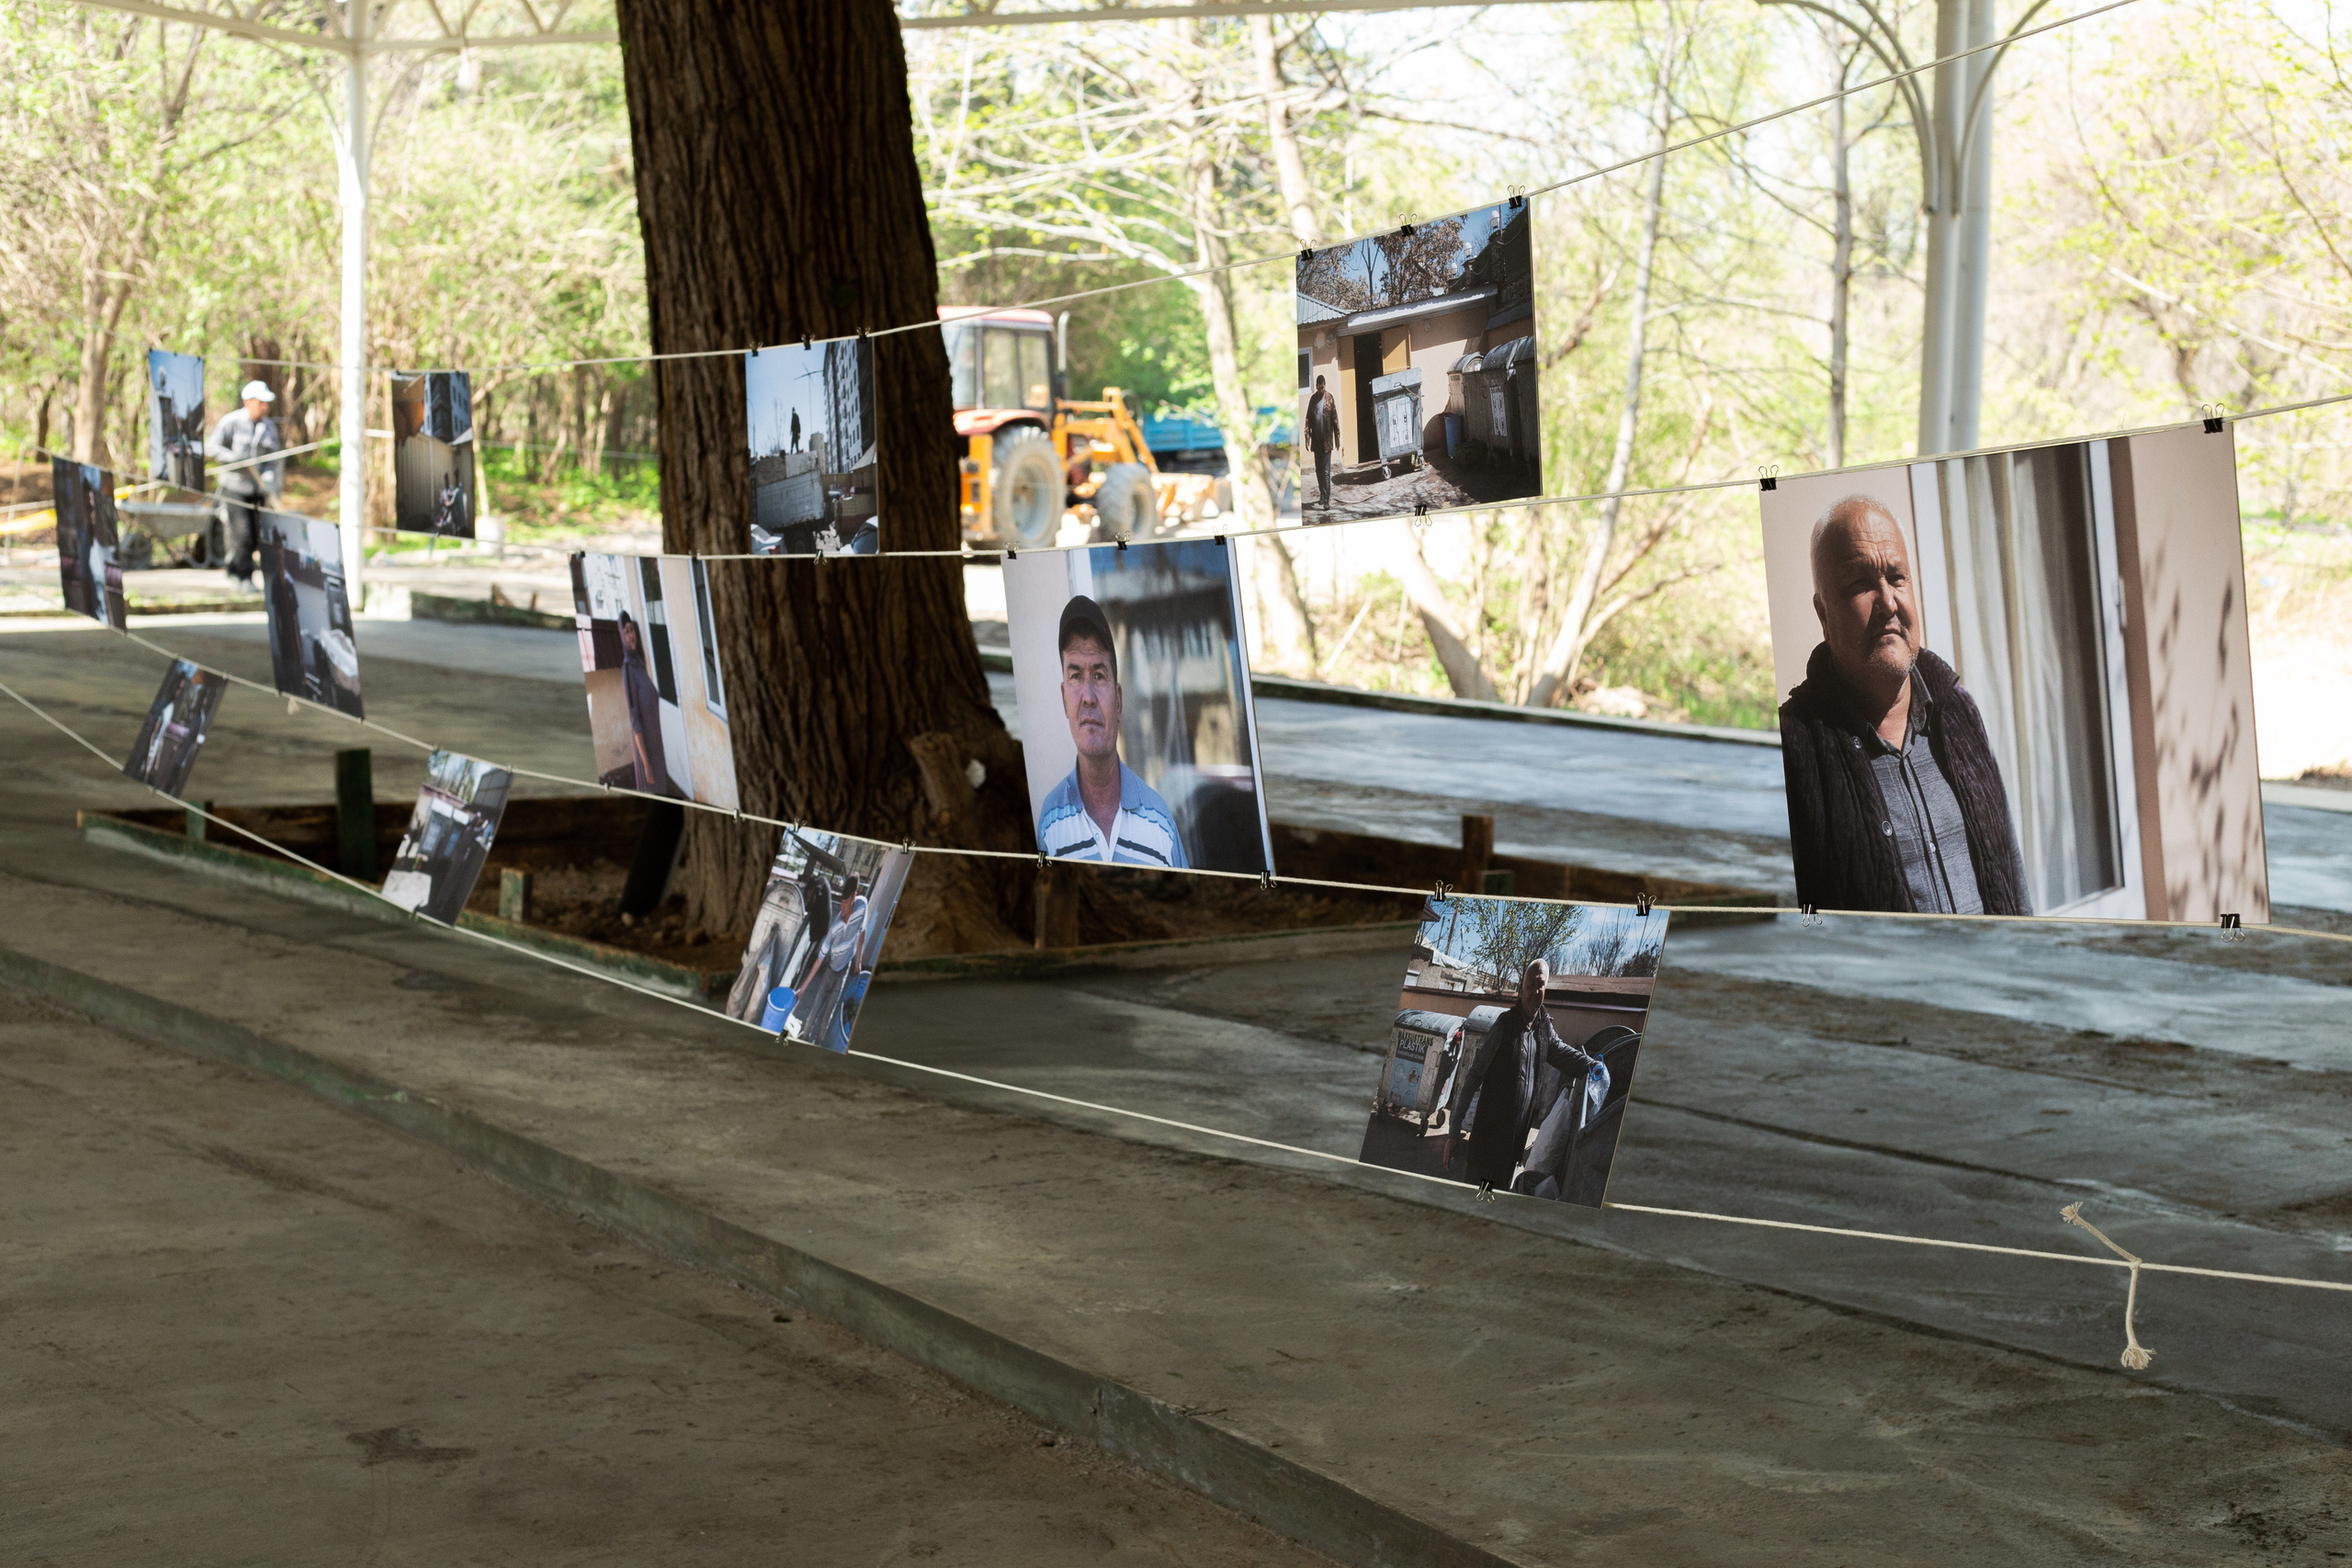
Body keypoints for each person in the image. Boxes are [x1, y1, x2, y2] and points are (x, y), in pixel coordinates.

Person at [1778, 495, 2028, 916]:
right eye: (1860, 584)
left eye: (1897, 578)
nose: (1888, 602)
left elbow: (2013, 882)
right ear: (1823, 613)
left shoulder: (1958, 713)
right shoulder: (1795, 748)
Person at [1033, 595, 1187, 869]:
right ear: (1064, 699)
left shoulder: (1160, 826)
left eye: (1099, 675)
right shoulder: (1049, 825)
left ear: (1118, 701)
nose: (1088, 697)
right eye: (1076, 676)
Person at [1441, 958, 1601, 1190]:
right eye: (1531, 984)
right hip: (1488, 1142)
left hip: (1512, 1147)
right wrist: (1454, 1131)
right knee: (1479, 1198)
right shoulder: (1505, 1026)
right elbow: (1474, 1076)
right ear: (1521, 987)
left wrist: (1591, 1065)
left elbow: (1563, 1053)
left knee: (1496, 1200)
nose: (1536, 991)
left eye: (1541, 985)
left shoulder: (1544, 1028)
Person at [206, 381, 282, 590]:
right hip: (234, 488)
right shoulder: (231, 422)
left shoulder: (269, 428)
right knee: (242, 532)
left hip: (257, 490)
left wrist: (267, 480)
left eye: (267, 403)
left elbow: (273, 461)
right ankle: (241, 576)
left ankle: (241, 573)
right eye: (261, 402)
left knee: (257, 534)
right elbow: (211, 446)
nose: (266, 406)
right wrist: (233, 458)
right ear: (248, 402)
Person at [792, 872, 865, 1049]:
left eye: (847, 904)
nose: (843, 909)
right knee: (815, 1009)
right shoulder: (835, 928)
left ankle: (818, 1045)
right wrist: (803, 988)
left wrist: (858, 962)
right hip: (830, 971)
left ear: (854, 897)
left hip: (844, 971)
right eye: (841, 903)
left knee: (827, 1016)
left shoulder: (862, 907)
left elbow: (862, 932)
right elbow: (818, 960)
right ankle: (804, 1038)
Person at [617, 611, 677, 796]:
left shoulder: (640, 665)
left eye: (632, 630)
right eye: (626, 631)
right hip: (647, 753)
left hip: (656, 747)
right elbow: (634, 721)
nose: (631, 635)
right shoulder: (628, 669)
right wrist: (646, 765)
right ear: (622, 637)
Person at [1305, 374, 1340, 510]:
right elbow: (1308, 419)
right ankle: (1321, 494)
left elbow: (1335, 420)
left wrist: (1337, 438)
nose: (1321, 390)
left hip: (1327, 442)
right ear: (1316, 387)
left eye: (1322, 388)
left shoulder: (1329, 398)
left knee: (1326, 471)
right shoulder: (1313, 399)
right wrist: (1307, 438)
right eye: (1319, 388)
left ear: (1325, 385)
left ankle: (1326, 499)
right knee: (1319, 470)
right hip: (1316, 442)